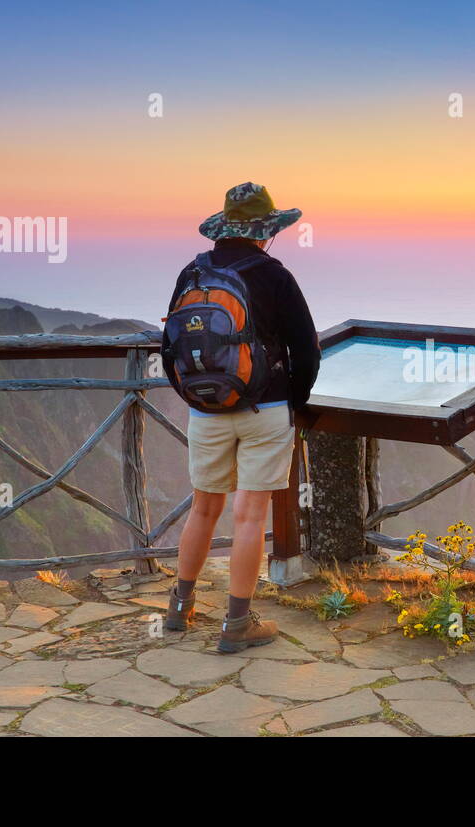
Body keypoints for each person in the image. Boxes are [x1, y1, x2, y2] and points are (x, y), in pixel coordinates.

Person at [163, 183, 320, 653]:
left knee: (203, 507)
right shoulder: (274, 275)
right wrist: (294, 400)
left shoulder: (193, 271)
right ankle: (236, 625)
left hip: (207, 410)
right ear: (264, 231)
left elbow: (169, 345)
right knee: (250, 516)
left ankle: (179, 608)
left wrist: (195, 397)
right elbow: (307, 350)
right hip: (265, 408)